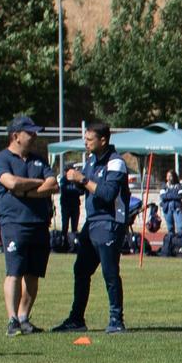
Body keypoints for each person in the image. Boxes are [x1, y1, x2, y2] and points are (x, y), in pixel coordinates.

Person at [51, 121, 131, 335]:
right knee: (81, 270)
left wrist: (83, 179)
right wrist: (70, 181)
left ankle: (116, 319)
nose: (85, 143)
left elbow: (107, 194)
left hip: (110, 222)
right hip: (93, 222)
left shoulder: (116, 163)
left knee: (109, 272)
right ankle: (76, 318)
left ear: (103, 140)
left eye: (89, 139)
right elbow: (84, 189)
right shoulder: (90, 161)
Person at [0, 115, 58, 335]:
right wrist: (38, 186)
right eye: (30, 132)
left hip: (39, 223)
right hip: (14, 223)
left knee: (34, 274)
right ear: (16, 136)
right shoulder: (0, 159)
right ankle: (12, 321)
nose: (35, 136)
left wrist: (24, 191)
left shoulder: (39, 159)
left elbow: (53, 184)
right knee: (15, 272)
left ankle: (24, 317)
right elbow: (10, 182)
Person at [57, 150, 83, 245]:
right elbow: (65, 189)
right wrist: (74, 190)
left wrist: (76, 187)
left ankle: (73, 243)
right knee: (65, 226)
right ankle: (64, 243)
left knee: (74, 226)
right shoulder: (64, 179)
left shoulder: (76, 180)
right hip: (66, 205)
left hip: (75, 205)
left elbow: (81, 191)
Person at [160, 172, 182, 246]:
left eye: (170, 176)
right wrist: (173, 195)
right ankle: (172, 244)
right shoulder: (164, 186)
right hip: (167, 209)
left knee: (180, 227)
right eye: (167, 176)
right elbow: (163, 196)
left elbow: (179, 196)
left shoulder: (179, 186)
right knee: (170, 228)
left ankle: (181, 244)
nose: (169, 177)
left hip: (177, 208)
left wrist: (168, 195)